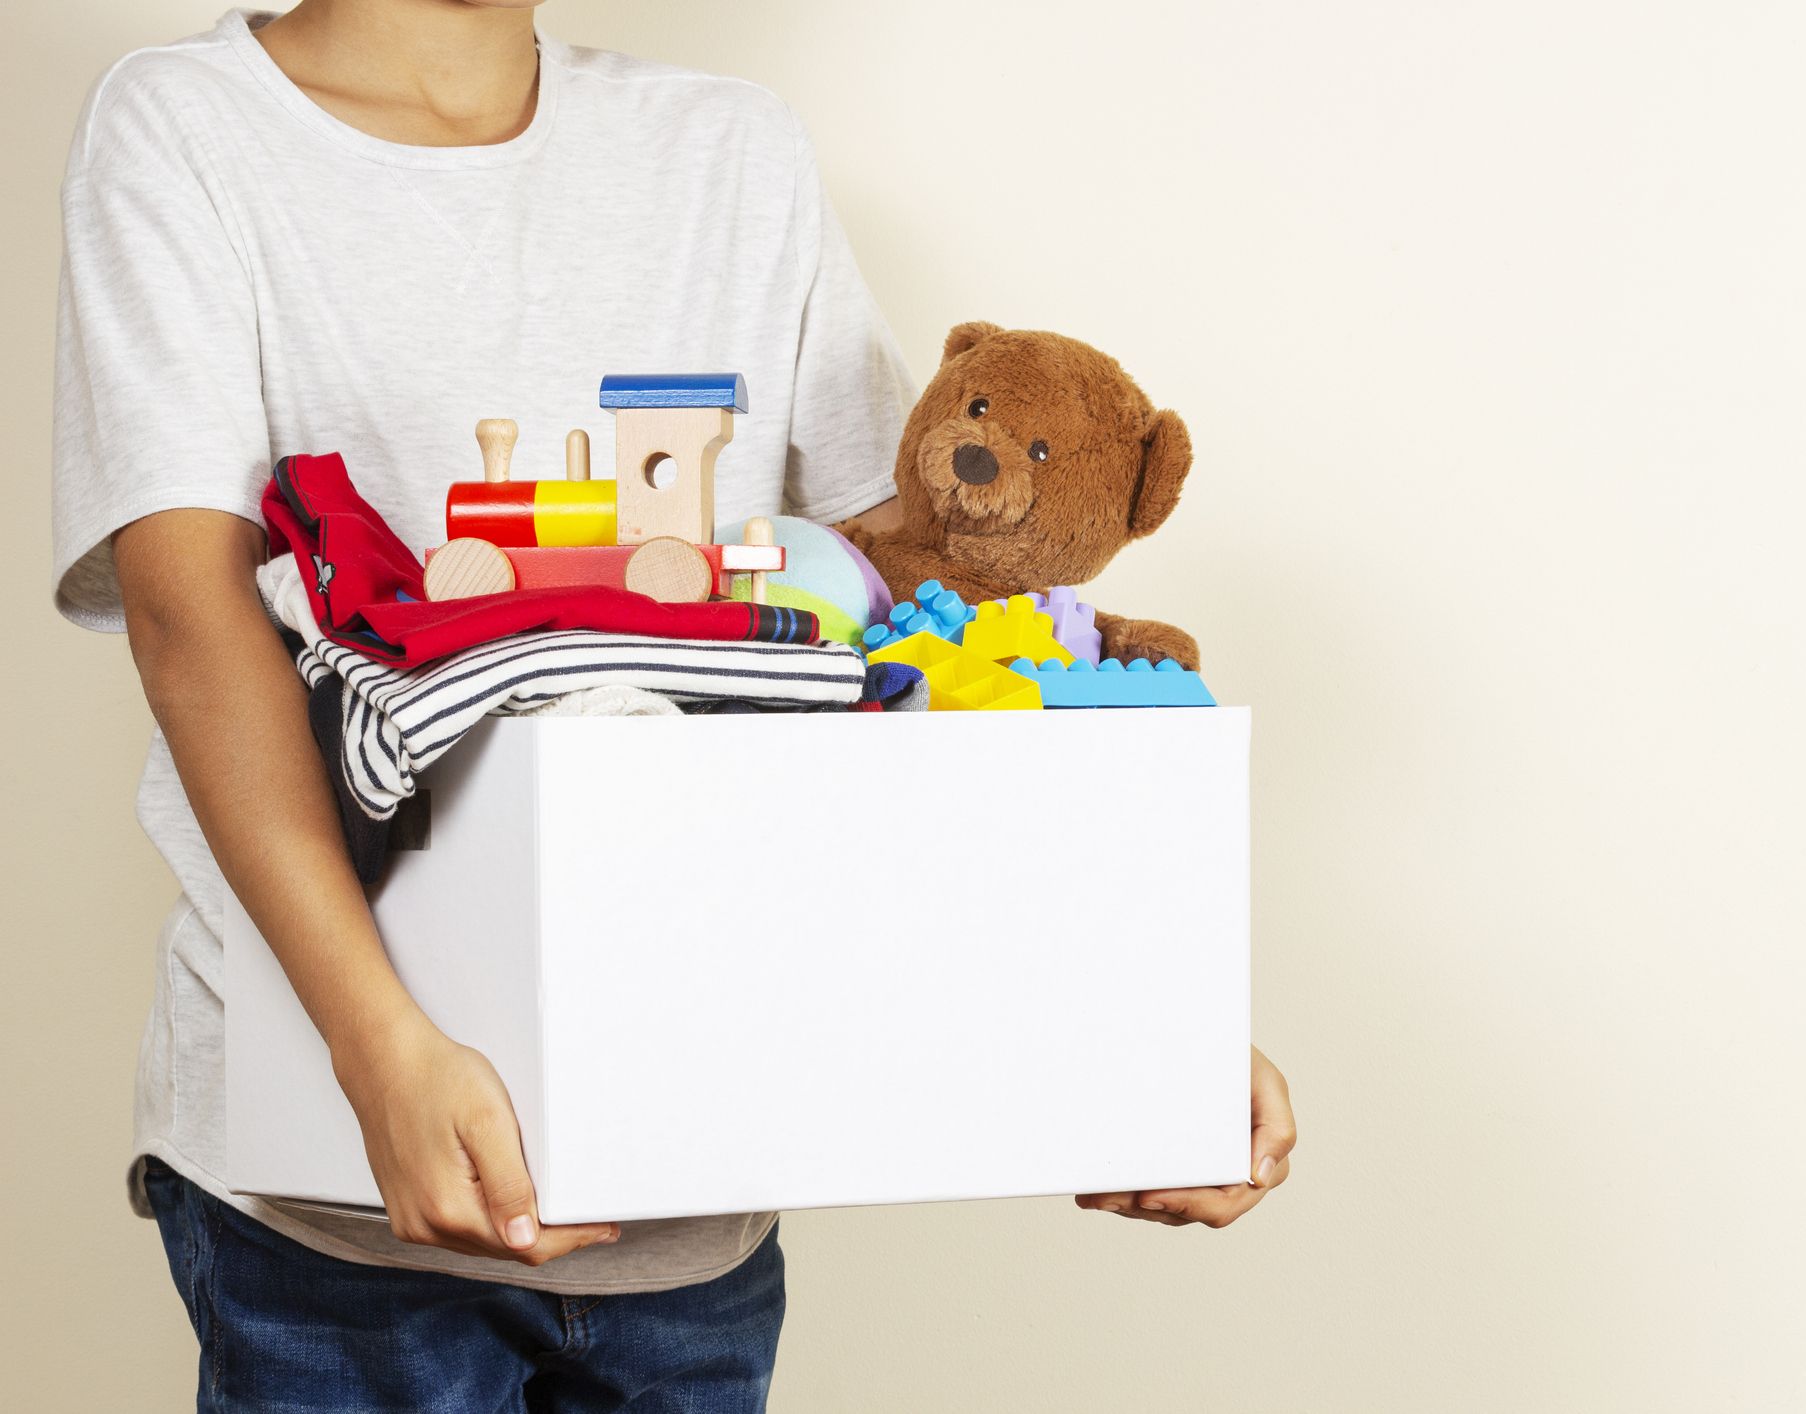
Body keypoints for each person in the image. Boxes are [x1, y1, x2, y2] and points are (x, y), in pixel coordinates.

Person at [50, 2, 1297, 1408]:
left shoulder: (731, 153)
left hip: (691, 1195)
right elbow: (188, 616)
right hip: (333, 1204)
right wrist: (376, 1046)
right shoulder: (187, 126)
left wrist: (1118, 1013)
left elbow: (918, 624)